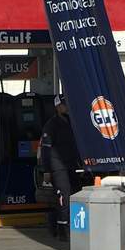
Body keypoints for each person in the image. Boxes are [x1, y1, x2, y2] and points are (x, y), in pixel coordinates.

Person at [40, 97, 82, 239]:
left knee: (76, 194)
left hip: (71, 165)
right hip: (57, 166)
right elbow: (45, 149)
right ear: (57, 107)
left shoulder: (71, 122)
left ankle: (67, 225)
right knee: (63, 195)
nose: (67, 107)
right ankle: (63, 229)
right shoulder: (51, 125)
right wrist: (46, 170)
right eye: (64, 105)